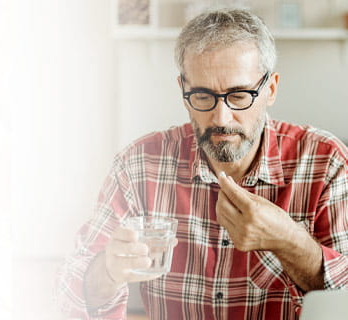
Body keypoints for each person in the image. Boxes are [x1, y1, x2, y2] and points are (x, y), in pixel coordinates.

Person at [56, 8, 348, 319]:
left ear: (270, 89)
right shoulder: (139, 166)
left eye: (239, 96)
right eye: (203, 97)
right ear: (183, 91)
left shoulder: (325, 163)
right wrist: (107, 272)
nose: (221, 119)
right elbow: (67, 293)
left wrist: (287, 240)